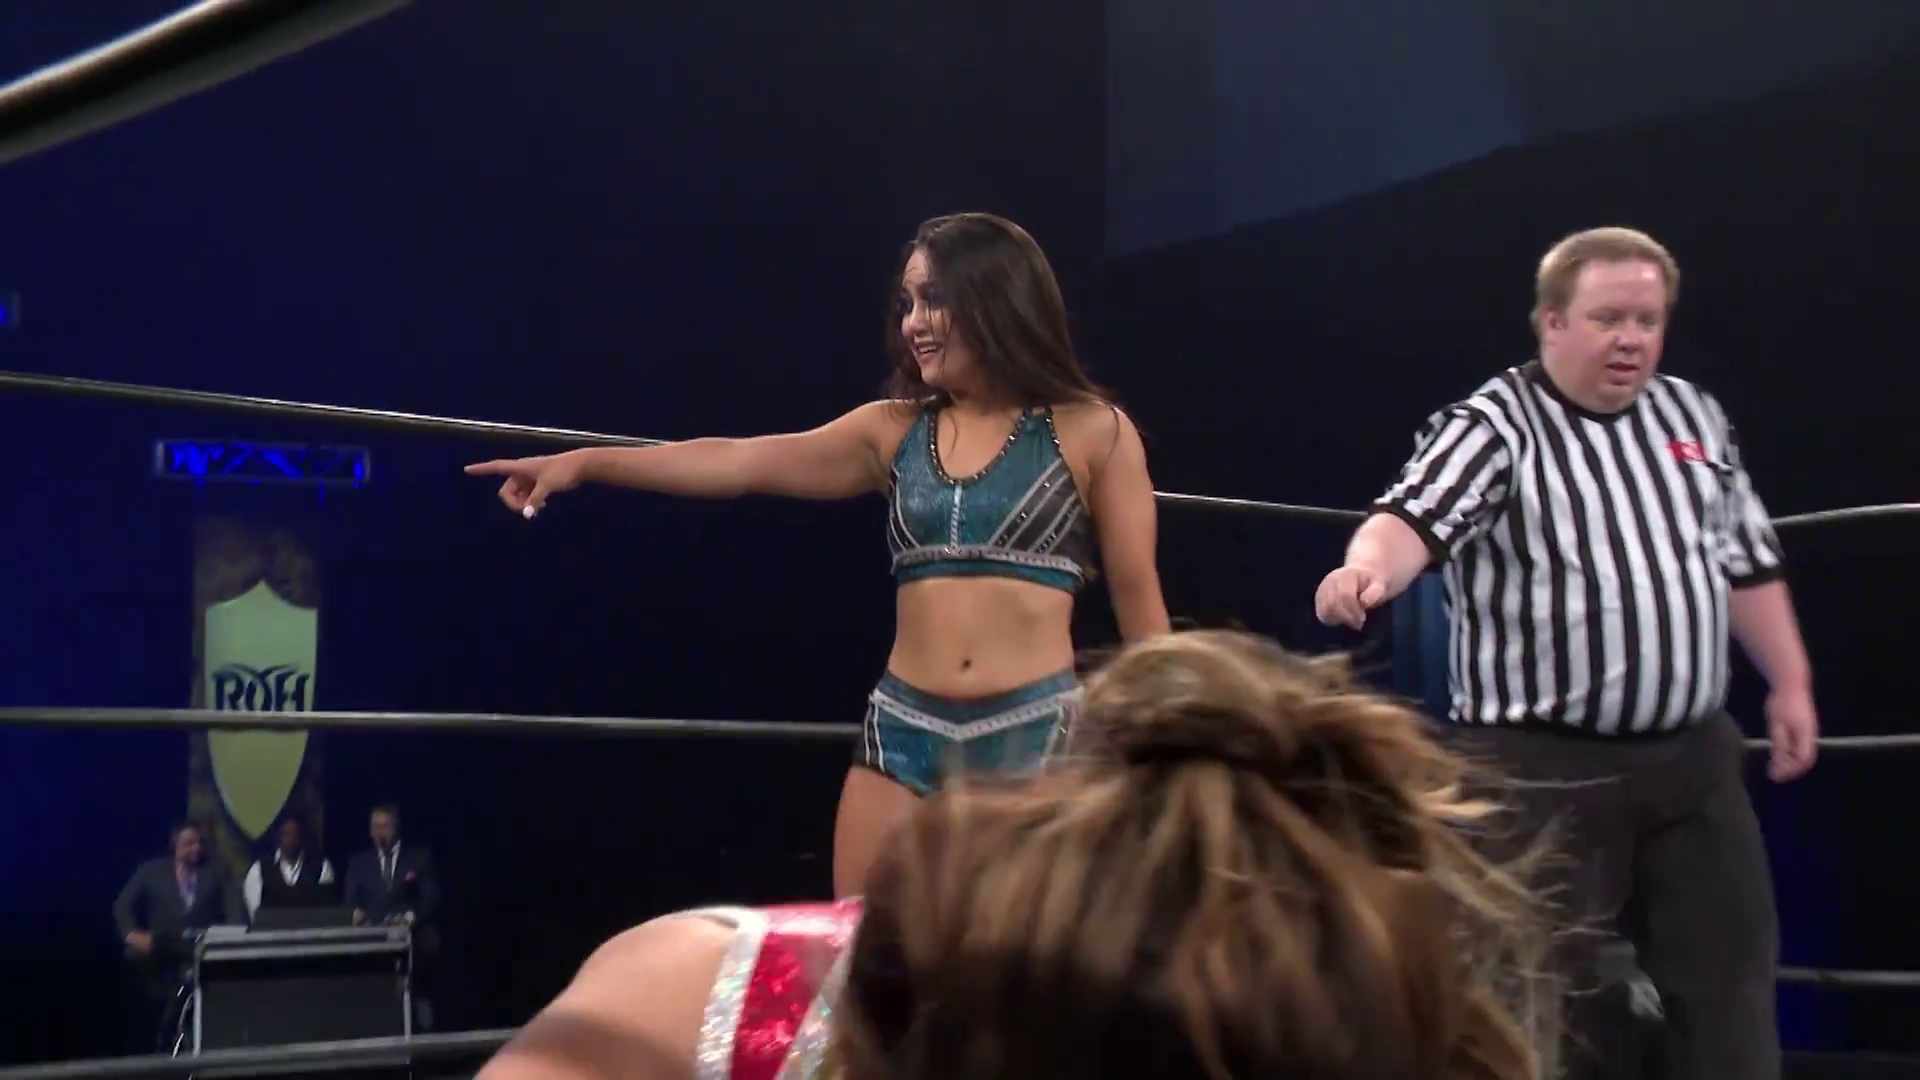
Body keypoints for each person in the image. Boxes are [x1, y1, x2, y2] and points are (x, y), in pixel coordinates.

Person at [475, 630, 1554, 1080]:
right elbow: (764, 458)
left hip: (1037, 721)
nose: (919, 322)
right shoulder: (701, 996)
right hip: (948, 730)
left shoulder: (1086, 430)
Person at [466, 213, 1171, 897]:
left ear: (997, 298)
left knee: (1019, 961)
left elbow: (1142, 610)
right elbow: (740, 461)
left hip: (1034, 735)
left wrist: (1174, 762)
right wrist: (587, 463)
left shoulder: (1096, 433)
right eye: (907, 304)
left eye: (933, 299)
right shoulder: (891, 431)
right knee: (856, 953)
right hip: (903, 732)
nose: (913, 324)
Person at [1312, 226, 1818, 1080]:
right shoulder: (1495, 424)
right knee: (1527, 999)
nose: (1631, 340)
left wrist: (1790, 681)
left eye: (1648, 321)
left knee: (1729, 990)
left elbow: (1746, 558)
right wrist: (1364, 571)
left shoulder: (1694, 417)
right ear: (1552, 322)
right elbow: (1412, 517)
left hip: (1691, 764)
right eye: (1609, 318)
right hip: (1538, 769)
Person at [111, 821, 245, 1049]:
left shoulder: (217, 871)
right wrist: (132, 935)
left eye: (200, 843)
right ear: (175, 843)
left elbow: (235, 914)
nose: (196, 848)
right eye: (189, 843)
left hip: (199, 952)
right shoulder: (151, 871)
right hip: (160, 953)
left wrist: (228, 940)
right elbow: (122, 907)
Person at [243, 816, 337, 919]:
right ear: (279, 836)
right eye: (286, 834)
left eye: (295, 834)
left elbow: (326, 911)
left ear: (301, 837)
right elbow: (255, 916)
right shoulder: (259, 869)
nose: (291, 840)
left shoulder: (322, 867)